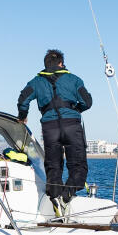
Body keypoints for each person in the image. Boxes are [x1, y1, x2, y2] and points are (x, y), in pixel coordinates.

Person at [17, 48, 93, 205]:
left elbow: (23, 99)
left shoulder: (36, 82)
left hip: (50, 128)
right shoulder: (74, 79)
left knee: (53, 166)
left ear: (46, 65)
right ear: (61, 63)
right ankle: (68, 193)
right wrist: (76, 109)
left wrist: (23, 116)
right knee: (78, 166)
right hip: (72, 126)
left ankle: (55, 198)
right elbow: (88, 102)